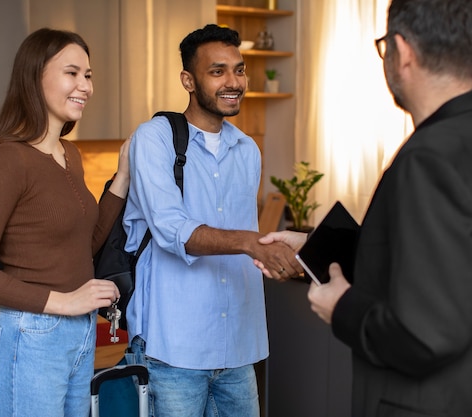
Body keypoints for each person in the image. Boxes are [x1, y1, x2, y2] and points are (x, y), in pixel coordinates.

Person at [257, 0, 472, 415]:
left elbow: (426, 334)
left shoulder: (428, 159)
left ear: (402, 51)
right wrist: (314, 245)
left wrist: (342, 309)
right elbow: (447, 265)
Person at [122, 24, 301, 417]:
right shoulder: (154, 139)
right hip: (174, 347)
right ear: (188, 79)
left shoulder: (247, 150)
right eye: (217, 71)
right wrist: (250, 242)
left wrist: (272, 252)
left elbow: (241, 237)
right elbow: (172, 230)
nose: (233, 81)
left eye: (239, 70)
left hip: (239, 346)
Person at [0, 28, 130, 416]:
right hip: (32, 336)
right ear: (35, 78)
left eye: (88, 75)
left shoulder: (70, 153)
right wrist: (65, 302)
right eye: (72, 73)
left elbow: (84, 244)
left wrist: (122, 178)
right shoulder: (8, 159)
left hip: (79, 333)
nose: (85, 85)